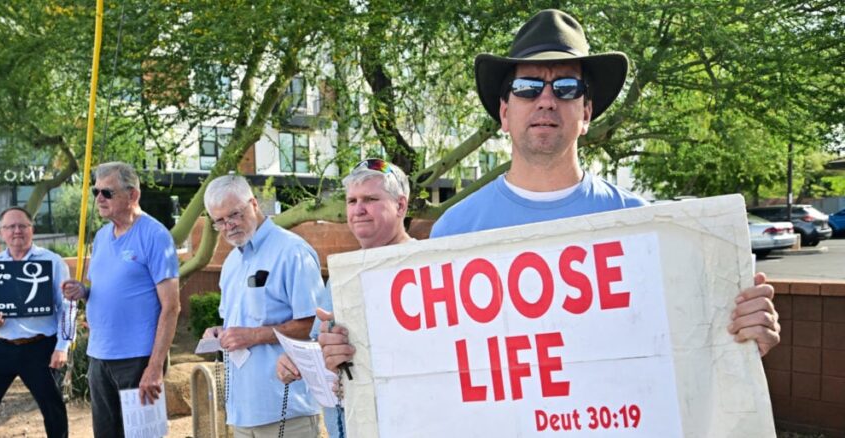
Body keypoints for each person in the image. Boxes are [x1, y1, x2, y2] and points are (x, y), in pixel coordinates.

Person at [320, 7, 779, 394]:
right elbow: (426, 371)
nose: (545, 100)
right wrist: (354, 357)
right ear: (504, 112)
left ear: (585, 112)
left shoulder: (641, 227)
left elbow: (686, 353)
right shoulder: (454, 232)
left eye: (566, 87)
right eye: (526, 87)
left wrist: (738, 335)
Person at [275, 159, 412, 438]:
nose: (358, 209)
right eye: (352, 201)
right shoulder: (342, 274)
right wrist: (298, 361)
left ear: (400, 206)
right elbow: (318, 344)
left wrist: (362, 372)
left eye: (370, 199)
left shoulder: (425, 268)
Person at [61, 162, 180, 437]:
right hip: (99, 357)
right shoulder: (102, 237)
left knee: (143, 436)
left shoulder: (155, 235)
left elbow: (172, 307)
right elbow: (107, 288)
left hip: (138, 360)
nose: (99, 198)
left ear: (133, 195)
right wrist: (84, 291)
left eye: (107, 192)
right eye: (96, 192)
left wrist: (154, 366)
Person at [201, 174, 325, 437]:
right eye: (219, 221)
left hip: (286, 408)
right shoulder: (231, 264)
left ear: (254, 204)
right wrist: (218, 332)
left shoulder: (292, 251)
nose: (228, 226)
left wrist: (255, 336)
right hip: (242, 411)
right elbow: (239, 324)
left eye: (234, 214)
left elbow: (315, 323)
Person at [0, 207, 74, 438]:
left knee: (53, 408)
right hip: (4, 348)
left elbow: (68, 306)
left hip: (41, 348)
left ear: (31, 229)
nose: (17, 231)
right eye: (10, 227)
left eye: (22, 226)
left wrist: (62, 347)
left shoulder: (52, 262)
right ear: (1, 232)